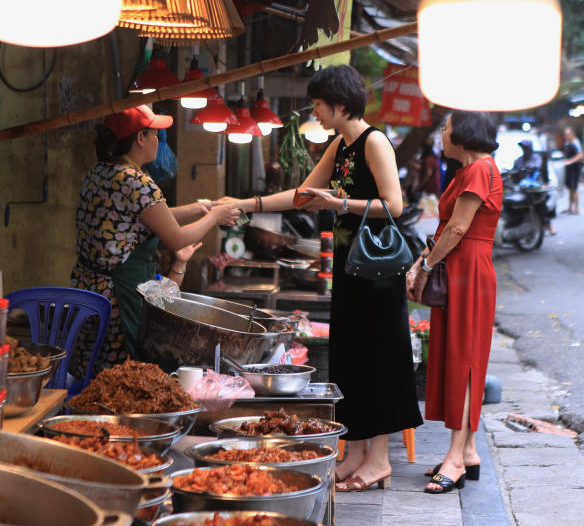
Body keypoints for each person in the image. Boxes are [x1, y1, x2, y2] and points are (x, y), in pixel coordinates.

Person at [231, 65, 422, 492]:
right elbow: (303, 195)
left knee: (377, 360)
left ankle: (378, 460)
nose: (314, 111)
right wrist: (248, 203)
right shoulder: (341, 145)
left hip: (376, 273)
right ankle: (354, 452)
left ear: (339, 104)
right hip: (350, 270)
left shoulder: (374, 142)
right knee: (350, 359)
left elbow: (396, 204)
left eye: (318, 104)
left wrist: (341, 204)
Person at [71, 105, 240, 371]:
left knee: (90, 370)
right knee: (118, 376)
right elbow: (178, 239)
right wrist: (215, 217)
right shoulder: (137, 182)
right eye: (154, 134)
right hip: (116, 298)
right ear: (140, 138)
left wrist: (199, 208)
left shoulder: (100, 172)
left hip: (87, 290)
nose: (158, 140)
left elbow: (146, 215)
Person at [406, 111, 503, 495]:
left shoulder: (479, 169)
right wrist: (421, 262)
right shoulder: (468, 171)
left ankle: (455, 459)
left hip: (470, 271)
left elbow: (460, 228)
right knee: (459, 358)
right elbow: (447, 228)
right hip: (459, 269)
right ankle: (468, 452)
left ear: (463, 134)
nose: (443, 136)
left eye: (445, 130)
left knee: (463, 362)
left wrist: (427, 266)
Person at [561, 127, 584, 214]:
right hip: (569, 169)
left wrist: (570, 161)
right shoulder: (567, 143)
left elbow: (580, 155)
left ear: (572, 134)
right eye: (565, 135)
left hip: (574, 169)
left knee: (574, 189)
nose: (566, 136)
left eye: (567, 134)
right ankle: (570, 207)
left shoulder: (576, 143)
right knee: (570, 189)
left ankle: (576, 208)